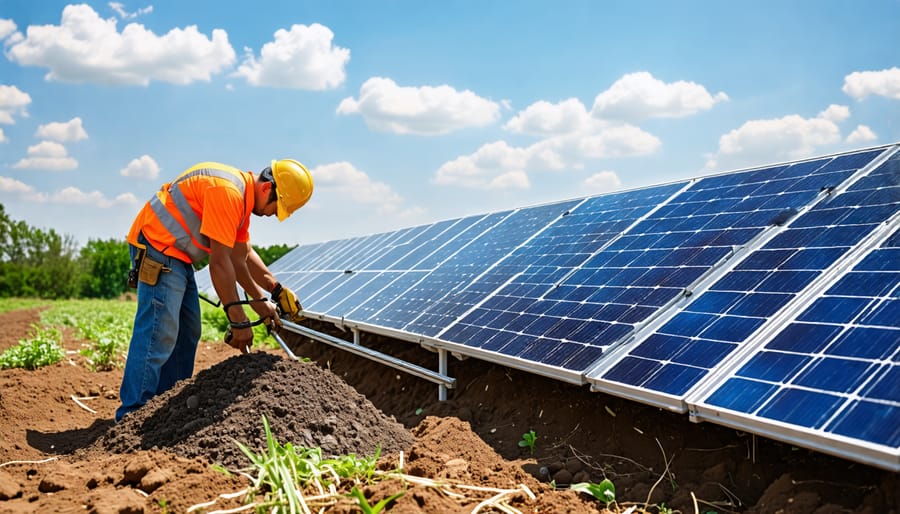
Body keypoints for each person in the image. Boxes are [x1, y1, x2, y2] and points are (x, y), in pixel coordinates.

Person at [116, 159, 313, 422]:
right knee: (158, 332)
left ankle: (162, 413)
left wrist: (273, 292)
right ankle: (133, 416)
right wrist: (238, 319)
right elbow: (220, 263)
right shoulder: (229, 193)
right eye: (276, 208)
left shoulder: (242, 201)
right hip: (158, 246)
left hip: (178, 255)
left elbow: (241, 256)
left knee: (188, 331)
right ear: (267, 189)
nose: (273, 215)